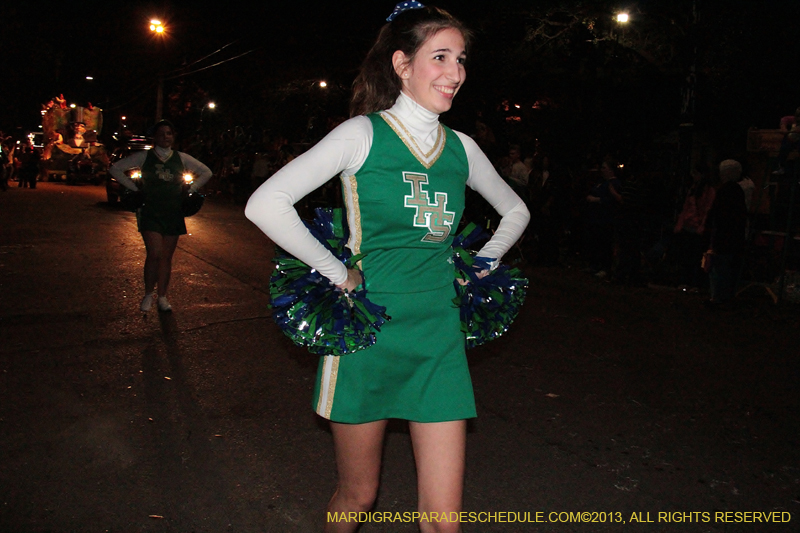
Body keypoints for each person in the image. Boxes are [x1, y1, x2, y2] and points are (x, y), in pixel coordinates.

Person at [244, 4, 529, 532]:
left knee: (444, 521)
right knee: (358, 495)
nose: (456, 72)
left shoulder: (462, 149)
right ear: (402, 64)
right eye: (440, 57)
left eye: (461, 59)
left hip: (438, 335)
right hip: (368, 333)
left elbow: (517, 210)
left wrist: (482, 263)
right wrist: (336, 272)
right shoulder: (362, 135)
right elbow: (266, 203)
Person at [109, 120, 212, 313]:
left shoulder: (181, 157)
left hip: (173, 211)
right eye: (162, 133)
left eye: (169, 133)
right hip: (150, 211)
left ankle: (162, 297)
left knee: (166, 257)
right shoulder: (144, 157)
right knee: (154, 254)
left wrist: (190, 189)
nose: (166, 137)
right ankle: (148, 294)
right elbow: (115, 169)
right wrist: (134, 188)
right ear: (155, 137)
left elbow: (206, 172)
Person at [705, 159, 748, 306]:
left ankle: (717, 297)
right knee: (727, 267)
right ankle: (725, 296)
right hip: (734, 236)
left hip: (723, 236)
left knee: (719, 267)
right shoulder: (738, 191)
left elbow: (719, 216)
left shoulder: (725, 191)